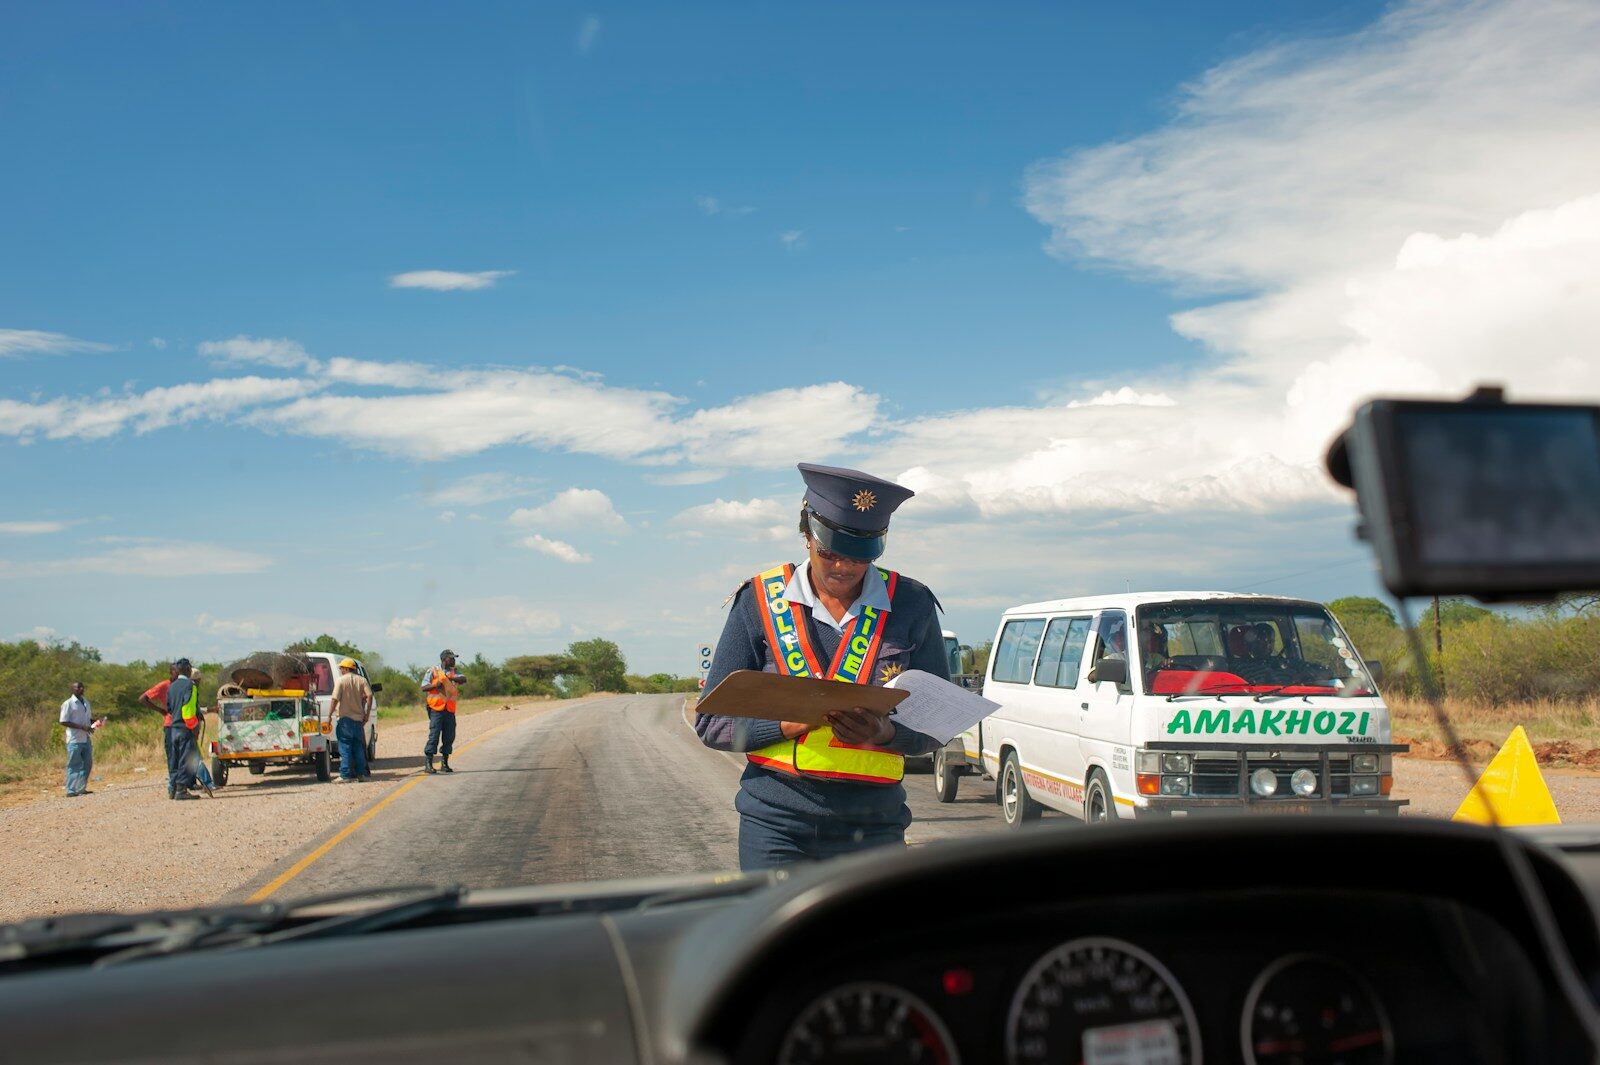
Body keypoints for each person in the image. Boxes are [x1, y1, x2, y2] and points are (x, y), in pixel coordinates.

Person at [695, 463, 947, 871]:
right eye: (829, 552)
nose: (843, 568)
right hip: (776, 825)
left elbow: (939, 723)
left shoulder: (912, 604)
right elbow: (711, 724)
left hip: (876, 827)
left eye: (859, 557)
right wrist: (783, 726)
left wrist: (887, 733)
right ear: (806, 535)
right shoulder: (758, 602)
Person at [165, 658, 206, 800]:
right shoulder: (190, 685)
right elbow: (187, 709)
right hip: (185, 727)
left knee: (175, 760)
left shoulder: (171, 686)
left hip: (173, 728)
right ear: (188, 669)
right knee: (186, 759)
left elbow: (169, 708)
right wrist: (193, 726)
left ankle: (173, 789)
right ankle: (181, 791)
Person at [421, 649, 465, 775]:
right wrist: (436, 685)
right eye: (451, 658)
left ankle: (444, 763)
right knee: (434, 736)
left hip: (449, 709)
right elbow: (424, 687)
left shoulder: (454, 671)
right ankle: (428, 764)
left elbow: (464, 679)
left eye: (454, 658)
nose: (453, 660)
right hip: (436, 709)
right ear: (444, 659)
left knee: (449, 736)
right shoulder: (433, 671)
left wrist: (456, 678)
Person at [330, 657, 373, 783]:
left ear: (346, 668)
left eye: (341, 668)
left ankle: (345, 775)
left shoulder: (341, 681)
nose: (341, 670)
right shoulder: (362, 680)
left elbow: (334, 699)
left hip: (345, 720)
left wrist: (329, 715)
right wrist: (367, 713)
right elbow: (369, 695)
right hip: (358, 720)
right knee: (358, 747)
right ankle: (362, 774)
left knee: (345, 748)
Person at [141, 663, 179, 798]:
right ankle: (173, 786)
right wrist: (160, 710)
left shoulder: (183, 685)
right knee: (172, 756)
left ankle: (181, 785)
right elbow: (143, 699)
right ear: (171, 672)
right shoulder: (164, 685)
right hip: (170, 724)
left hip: (183, 725)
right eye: (176, 671)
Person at [59, 681, 99, 797]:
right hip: (74, 739)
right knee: (74, 764)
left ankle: (81, 788)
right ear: (72, 689)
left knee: (87, 764)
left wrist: (95, 721)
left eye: (82, 687)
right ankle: (71, 790)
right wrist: (82, 727)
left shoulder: (85, 702)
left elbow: (86, 719)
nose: (81, 689)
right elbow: (63, 721)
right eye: (78, 687)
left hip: (86, 738)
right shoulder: (68, 703)